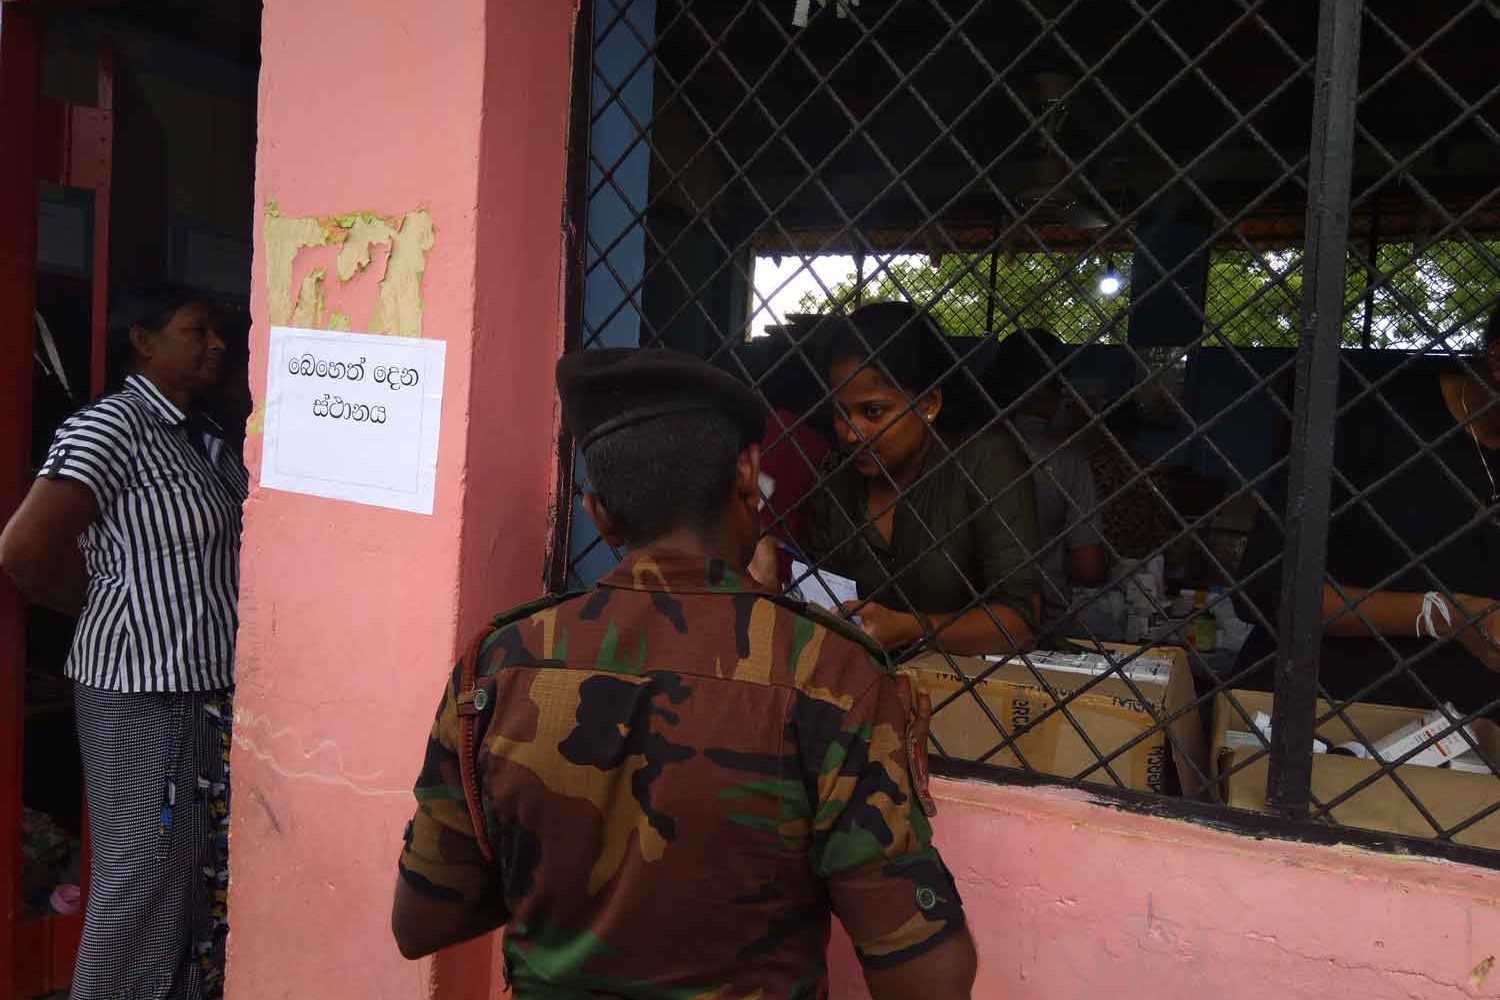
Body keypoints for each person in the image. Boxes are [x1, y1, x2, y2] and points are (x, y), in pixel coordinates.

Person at [390, 348, 976, 999]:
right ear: (748, 474)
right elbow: (929, 979)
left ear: (599, 514)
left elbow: (422, 921)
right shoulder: (831, 674)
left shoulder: (501, 665)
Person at [0, 286, 247, 999]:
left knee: (193, 880)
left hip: (204, 691)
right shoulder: (111, 427)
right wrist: (106, 605)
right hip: (140, 693)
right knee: (141, 877)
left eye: (216, 332)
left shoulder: (200, 436)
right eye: (196, 331)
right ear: (143, 340)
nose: (216, 345)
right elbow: (24, 549)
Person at [1234, 310, 1500, 717]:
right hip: (1326, 715)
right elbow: (1267, 593)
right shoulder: (1372, 415)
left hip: (1472, 735)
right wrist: (1444, 616)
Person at [800, 301, 1040, 655]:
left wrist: (909, 629)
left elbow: (1020, 622)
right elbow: (824, 598)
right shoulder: (836, 477)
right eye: (840, 412)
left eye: (873, 411)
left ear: (929, 404)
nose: (851, 433)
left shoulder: (984, 462)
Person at [986, 327, 1108, 639]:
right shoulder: (1067, 460)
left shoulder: (961, 450)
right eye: (1060, 388)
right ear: (1044, 391)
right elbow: (1089, 567)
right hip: (1042, 623)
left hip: (968, 619)